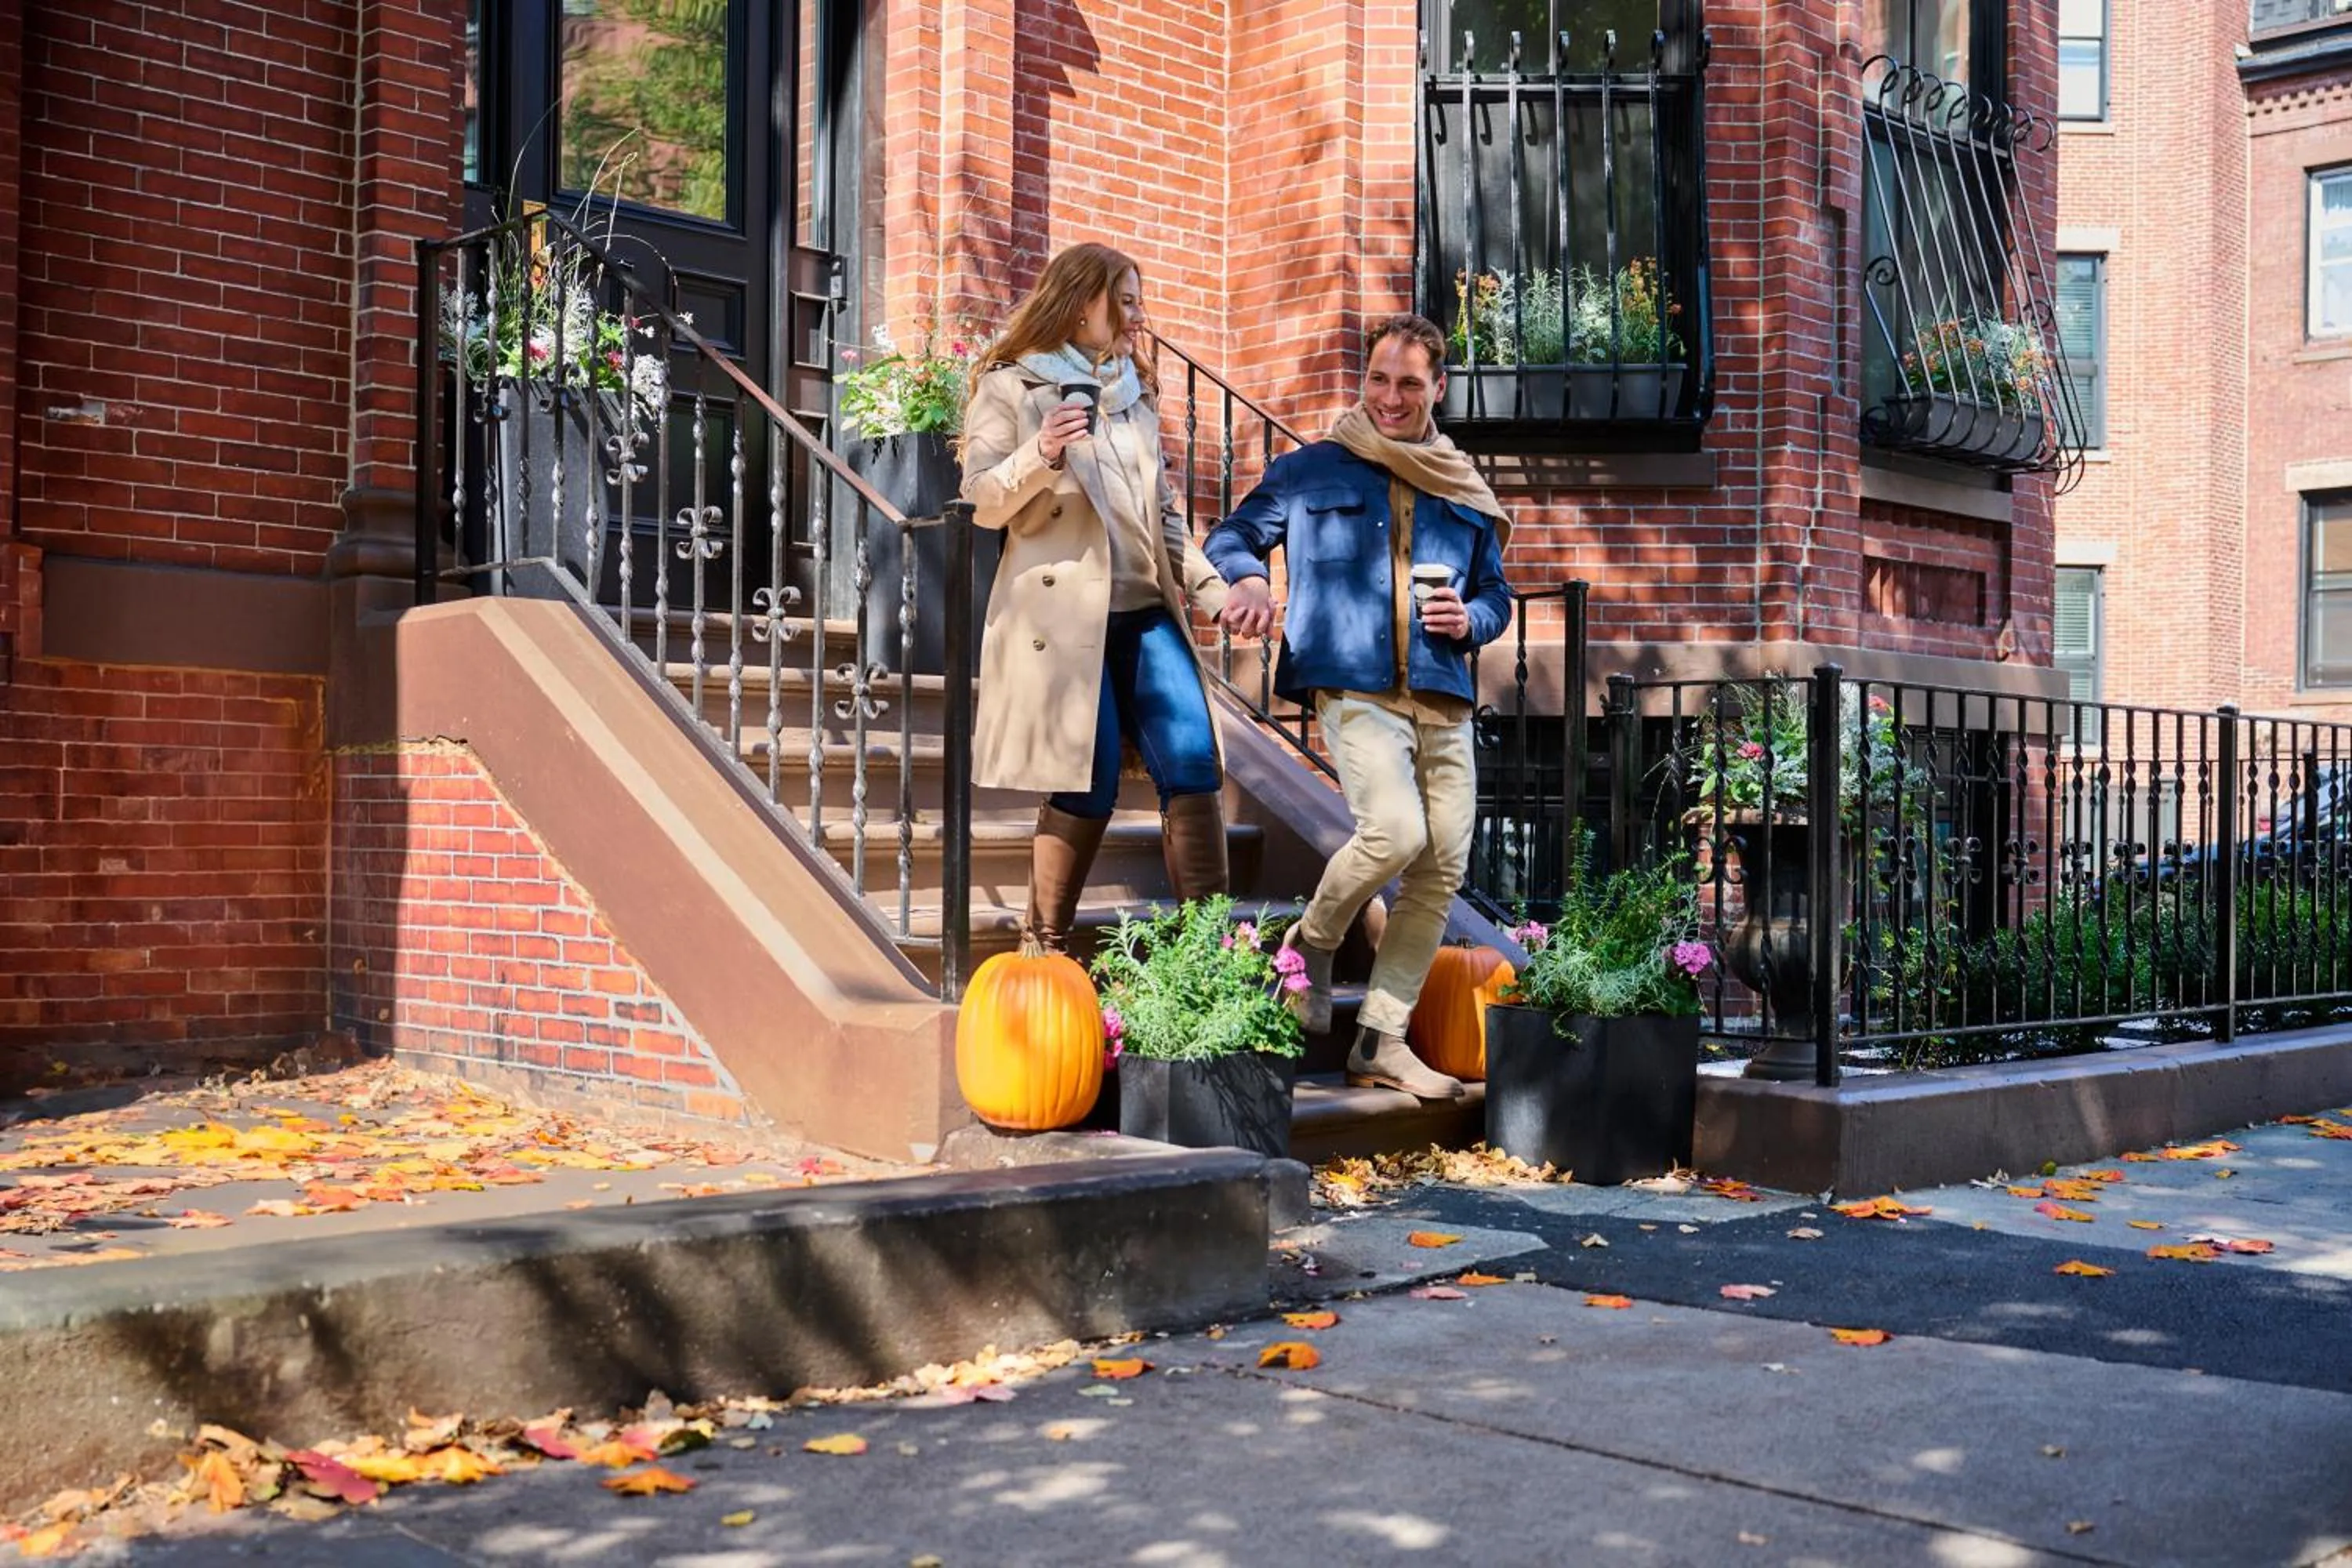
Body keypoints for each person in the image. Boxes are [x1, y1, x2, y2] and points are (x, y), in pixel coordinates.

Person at [1205, 314, 1513, 1100]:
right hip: (1353, 684)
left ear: (1438, 388)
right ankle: (1308, 942)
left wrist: (1470, 619)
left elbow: (1495, 595)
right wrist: (1244, 579)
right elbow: (1233, 534)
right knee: (1395, 833)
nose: (1390, 396)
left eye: (1410, 383)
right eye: (1379, 377)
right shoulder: (1314, 470)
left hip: (1441, 692)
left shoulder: (1464, 488)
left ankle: (1381, 1036)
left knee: (1440, 869)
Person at [959, 243, 1234, 953]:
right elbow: (983, 502)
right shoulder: (1012, 387)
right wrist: (1042, 452)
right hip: (1062, 618)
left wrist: (1215, 593)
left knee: (1195, 765)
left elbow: (1165, 518)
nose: (1140, 315)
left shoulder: (1133, 396)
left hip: (1145, 612)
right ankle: (1043, 947)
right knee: (1091, 779)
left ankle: (1211, 967)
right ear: (1085, 304)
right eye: (1129, 300)